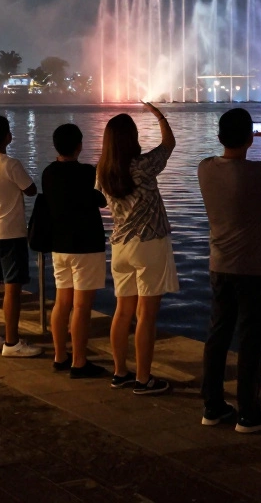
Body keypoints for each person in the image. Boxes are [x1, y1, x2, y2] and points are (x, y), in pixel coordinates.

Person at [197, 108, 261, 432]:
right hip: (254, 269)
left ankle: (212, 406)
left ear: (220, 136)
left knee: (217, 336)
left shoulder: (205, 168)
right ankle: (248, 412)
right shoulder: (258, 172)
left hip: (219, 266)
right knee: (251, 340)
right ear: (250, 138)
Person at [97, 103, 179, 395]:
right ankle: (144, 379)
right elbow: (168, 144)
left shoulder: (103, 171)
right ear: (132, 138)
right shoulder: (142, 166)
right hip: (149, 245)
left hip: (120, 247)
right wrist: (158, 115)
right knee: (146, 315)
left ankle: (120, 372)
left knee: (122, 312)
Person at [42, 123, 108, 378]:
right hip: (86, 246)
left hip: (60, 246)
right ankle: (79, 362)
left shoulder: (49, 173)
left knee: (62, 302)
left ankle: (60, 355)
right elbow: (99, 199)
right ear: (79, 145)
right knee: (81, 306)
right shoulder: (86, 172)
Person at [0, 115, 41, 356]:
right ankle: (12, 342)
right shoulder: (10, 164)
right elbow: (31, 190)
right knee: (12, 286)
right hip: (10, 233)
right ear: (7, 137)